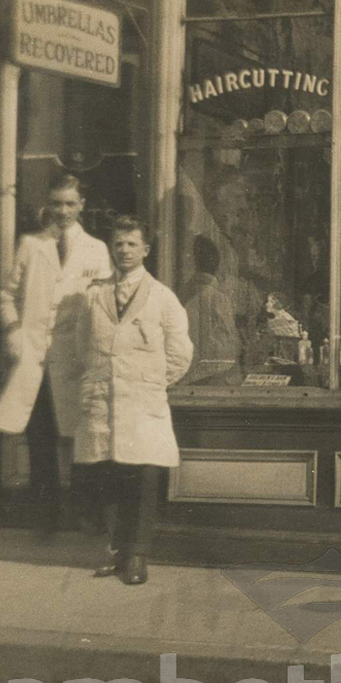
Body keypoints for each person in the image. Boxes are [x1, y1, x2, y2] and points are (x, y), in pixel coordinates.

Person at [0, 173, 112, 534]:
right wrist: (13, 330)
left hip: (74, 357)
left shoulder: (96, 249)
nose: (63, 211)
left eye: (70, 203)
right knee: (41, 435)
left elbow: (103, 303)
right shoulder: (30, 244)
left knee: (78, 434)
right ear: (48, 203)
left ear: (82, 205)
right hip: (36, 358)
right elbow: (6, 294)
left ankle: (84, 512)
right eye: (57, 203)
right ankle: (46, 513)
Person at [73, 217, 193, 585]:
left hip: (143, 404)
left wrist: (150, 382)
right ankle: (114, 550)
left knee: (141, 478)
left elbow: (181, 352)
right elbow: (82, 346)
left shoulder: (162, 297)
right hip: (104, 401)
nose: (124, 250)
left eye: (131, 244)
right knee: (107, 474)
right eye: (119, 244)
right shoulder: (94, 294)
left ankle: (138, 555)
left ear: (146, 250)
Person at [180, 235, 241, 385]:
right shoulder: (216, 298)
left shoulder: (186, 297)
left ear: (192, 263)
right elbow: (229, 349)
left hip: (195, 381)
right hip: (209, 380)